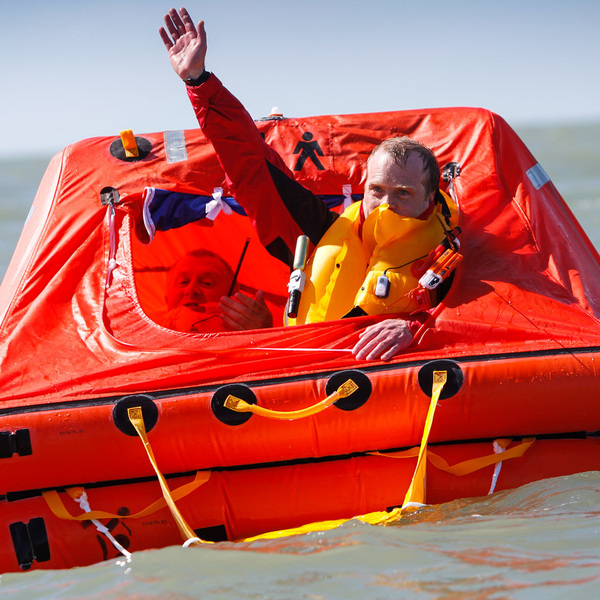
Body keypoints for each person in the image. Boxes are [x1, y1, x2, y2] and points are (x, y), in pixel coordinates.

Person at [159, 8, 459, 360]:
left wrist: (420, 327)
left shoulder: (454, 255)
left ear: (430, 199)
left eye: (403, 193)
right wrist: (199, 82)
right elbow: (250, 163)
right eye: (377, 190)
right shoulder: (317, 231)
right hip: (310, 382)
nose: (387, 203)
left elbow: (494, 320)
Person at [162, 249, 273, 333]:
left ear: (233, 293)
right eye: (183, 282)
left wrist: (262, 336)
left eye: (207, 283)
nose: (191, 290)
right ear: (166, 297)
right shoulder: (146, 337)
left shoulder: (248, 337)